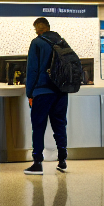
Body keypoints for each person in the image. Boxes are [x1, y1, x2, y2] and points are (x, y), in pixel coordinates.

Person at [24, 17, 70, 175]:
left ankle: (37, 162)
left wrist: (29, 92)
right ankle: (62, 161)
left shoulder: (37, 43)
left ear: (37, 28)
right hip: (61, 92)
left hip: (42, 92)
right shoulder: (62, 41)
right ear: (49, 28)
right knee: (59, 126)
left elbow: (32, 70)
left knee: (38, 127)